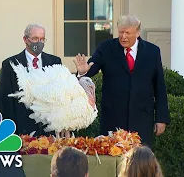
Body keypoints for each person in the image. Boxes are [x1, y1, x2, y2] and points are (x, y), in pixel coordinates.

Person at [73, 15, 170, 147]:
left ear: (137, 32)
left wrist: (161, 118)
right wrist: (83, 71)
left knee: (140, 162)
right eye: (121, 32)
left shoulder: (152, 51)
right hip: (113, 117)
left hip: (142, 118)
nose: (123, 36)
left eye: (127, 33)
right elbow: (91, 69)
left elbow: (159, 86)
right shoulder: (106, 48)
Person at [0, 24, 62, 136]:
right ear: (25, 39)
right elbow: (6, 100)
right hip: (22, 127)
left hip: (48, 127)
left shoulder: (55, 62)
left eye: (42, 39)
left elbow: (62, 93)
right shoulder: (10, 64)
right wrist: (10, 130)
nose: (39, 42)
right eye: (35, 39)